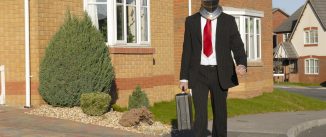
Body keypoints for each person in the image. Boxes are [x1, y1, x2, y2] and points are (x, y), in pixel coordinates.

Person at [179, 0, 247, 137]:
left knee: (220, 114)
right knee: (200, 115)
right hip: (198, 74)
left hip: (220, 73)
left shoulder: (228, 21)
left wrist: (241, 63)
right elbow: (187, 50)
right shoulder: (191, 21)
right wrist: (184, 77)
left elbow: (238, 46)